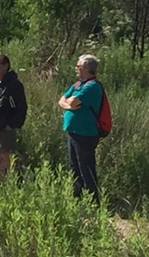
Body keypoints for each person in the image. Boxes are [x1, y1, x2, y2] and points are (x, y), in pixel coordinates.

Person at [59, 54, 103, 202]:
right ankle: (77, 199)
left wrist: (70, 104)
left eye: (79, 66)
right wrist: (69, 105)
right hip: (73, 132)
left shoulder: (92, 86)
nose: (76, 69)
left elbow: (72, 101)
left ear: (87, 69)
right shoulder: (78, 84)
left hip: (85, 134)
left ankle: (92, 202)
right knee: (74, 168)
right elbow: (63, 101)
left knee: (86, 168)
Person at [0, 53, 27, 182]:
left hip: (5, 129)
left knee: (8, 158)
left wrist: (12, 124)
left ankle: (11, 185)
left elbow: (21, 108)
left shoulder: (14, 85)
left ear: (6, 66)